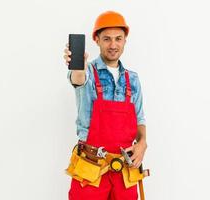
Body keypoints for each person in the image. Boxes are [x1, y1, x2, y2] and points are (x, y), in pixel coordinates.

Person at [63, 10, 148, 200]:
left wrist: (142, 143)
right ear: (97, 40)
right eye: (107, 39)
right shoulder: (88, 72)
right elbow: (78, 78)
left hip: (124, 171)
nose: (113, 45)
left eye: (118, 38)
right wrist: (77, 65)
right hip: (91, 169)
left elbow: (140, 118)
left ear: (125, 40)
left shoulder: (132, 79)